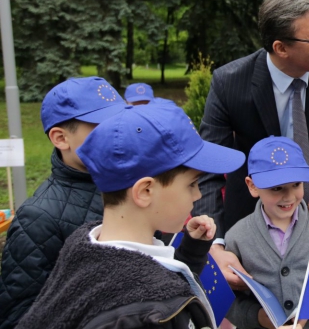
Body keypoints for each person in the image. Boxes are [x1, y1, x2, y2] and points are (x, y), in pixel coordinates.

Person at [16, 103, 246, 329]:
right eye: (192, 184)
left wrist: (192, 251)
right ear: (145, 191)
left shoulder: (86, 244)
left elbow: (154, 277)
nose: (198, 195)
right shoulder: (145, 314)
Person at [195, 0, 309, 289]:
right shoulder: (230, 83)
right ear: (281, 48)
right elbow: (208, 169)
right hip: (249, 226)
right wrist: (216, 242)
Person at [0, 77, 126, 328]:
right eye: (102, 127)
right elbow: (19, 316)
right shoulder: (38, 218)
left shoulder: (132, 187)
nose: (118, 134)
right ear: (60, 138)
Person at [224, 136, 309, 329]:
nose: (289, 196)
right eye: (277, 188)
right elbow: (228, 301)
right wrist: (258, 317)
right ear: (252, 185)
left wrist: (308, 312)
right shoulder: (236, 237)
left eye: (296, 184)